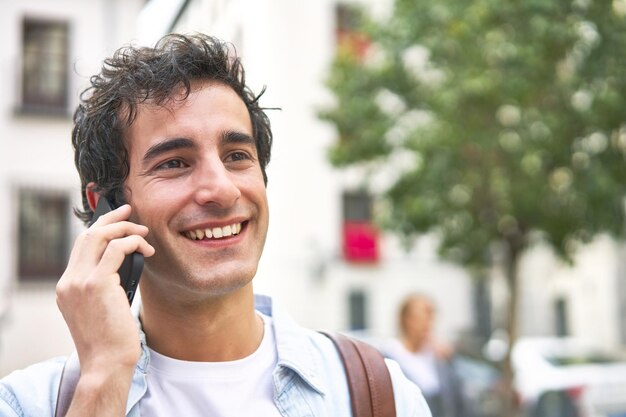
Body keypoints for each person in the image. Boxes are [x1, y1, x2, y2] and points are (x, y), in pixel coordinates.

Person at [0, 34, 431, 417]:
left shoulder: (378, 394)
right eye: (174, 163)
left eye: (237, 156)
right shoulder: (28, 404)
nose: (222, 190)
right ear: (106, 208)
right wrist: (104, 380)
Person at [383, 293, 469, 417]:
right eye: (423, 316)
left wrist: (450, 359)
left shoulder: (436, 355)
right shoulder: (390, 355)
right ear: (406, 319)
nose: (428, 323)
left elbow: (458, 397)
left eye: (431, 316)